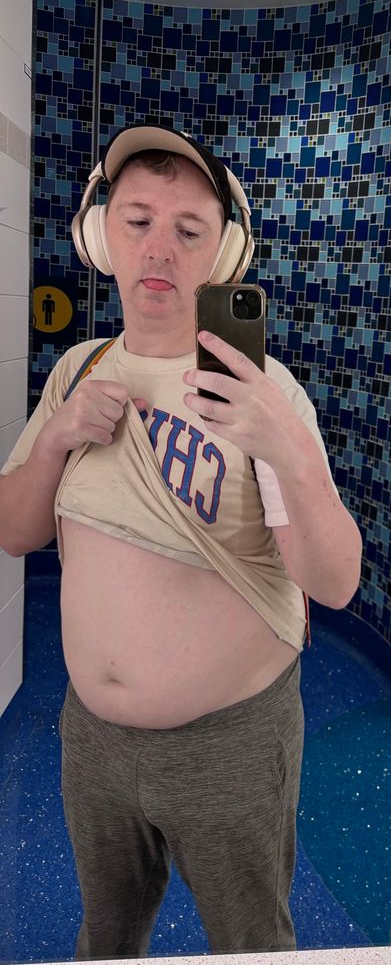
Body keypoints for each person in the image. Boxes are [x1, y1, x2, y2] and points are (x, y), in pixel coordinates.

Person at [0, 123, 362, 958]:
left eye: (189, 230)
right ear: (102, 237)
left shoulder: (263, 393)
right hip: (93, 740)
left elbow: (334, 582)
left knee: (249, 943)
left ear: (223, 255)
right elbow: (15, 531)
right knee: (107, 939)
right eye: (137, 221)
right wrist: (56, 438)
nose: (158, 248)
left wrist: (287, 452)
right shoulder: (78, 371)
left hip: (229, 745)